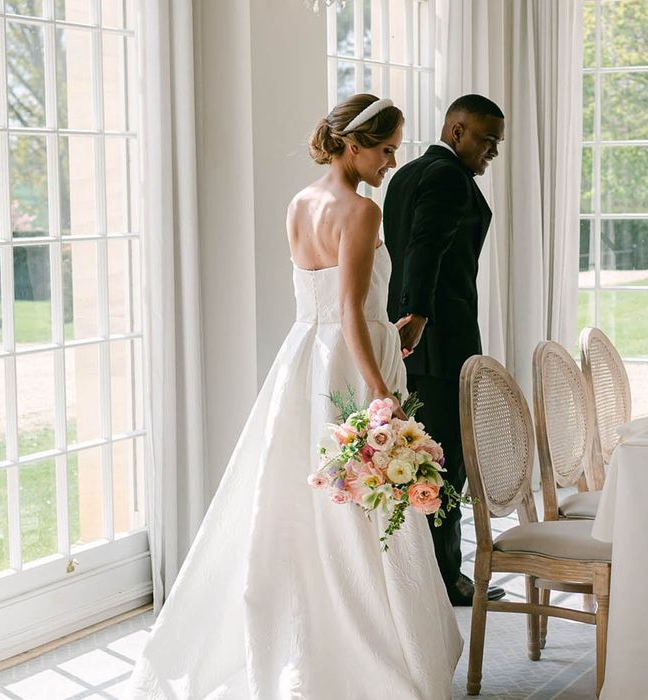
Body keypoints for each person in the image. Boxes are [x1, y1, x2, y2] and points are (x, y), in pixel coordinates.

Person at [124, 94, 462, 700]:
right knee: (359, 506)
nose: (391, 162)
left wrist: (400, 327)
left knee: (296, 503)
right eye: (385, 150)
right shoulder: (360, 213)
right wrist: (381, 393)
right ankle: (368, 644)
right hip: (349, 364)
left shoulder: (300, 203)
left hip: (303, 359)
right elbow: (352, 314)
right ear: (354, 146)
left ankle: (300, 630)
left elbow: (325, 305)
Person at [383, 94, 506, 607]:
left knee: (418, 460)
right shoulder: (448, 178)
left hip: (414, 341)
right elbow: (425, 249)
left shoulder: (406, 175)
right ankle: (444, 577)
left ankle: (422, 574)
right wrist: (420, 316)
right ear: (456, 131)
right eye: (486, 140)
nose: (492, 153)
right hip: (438, 344)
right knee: (443, 462)